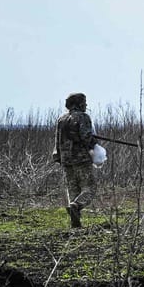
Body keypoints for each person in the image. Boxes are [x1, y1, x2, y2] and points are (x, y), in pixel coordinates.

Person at [52, 92, 96, 228]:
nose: (86, 105)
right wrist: (95, 144)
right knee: (89, 188)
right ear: (79, 104)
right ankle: (76, 206)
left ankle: (75, 222)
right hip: (81, 159)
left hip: (66, 160)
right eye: (84, 102)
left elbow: (57, 140)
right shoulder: (83, 117)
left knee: (72, 190)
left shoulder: (61, 119)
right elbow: (86, 137)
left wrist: (58, 155)